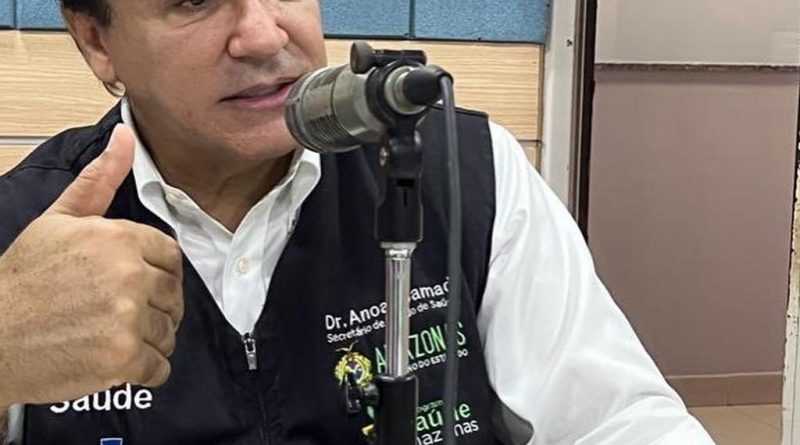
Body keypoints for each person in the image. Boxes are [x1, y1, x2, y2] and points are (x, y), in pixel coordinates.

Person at [0, 0, 715, 443]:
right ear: (96, 40)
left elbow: (617, 422)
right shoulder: (21, 230)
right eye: (194, 1)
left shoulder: (463, 169)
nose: (262, 35)